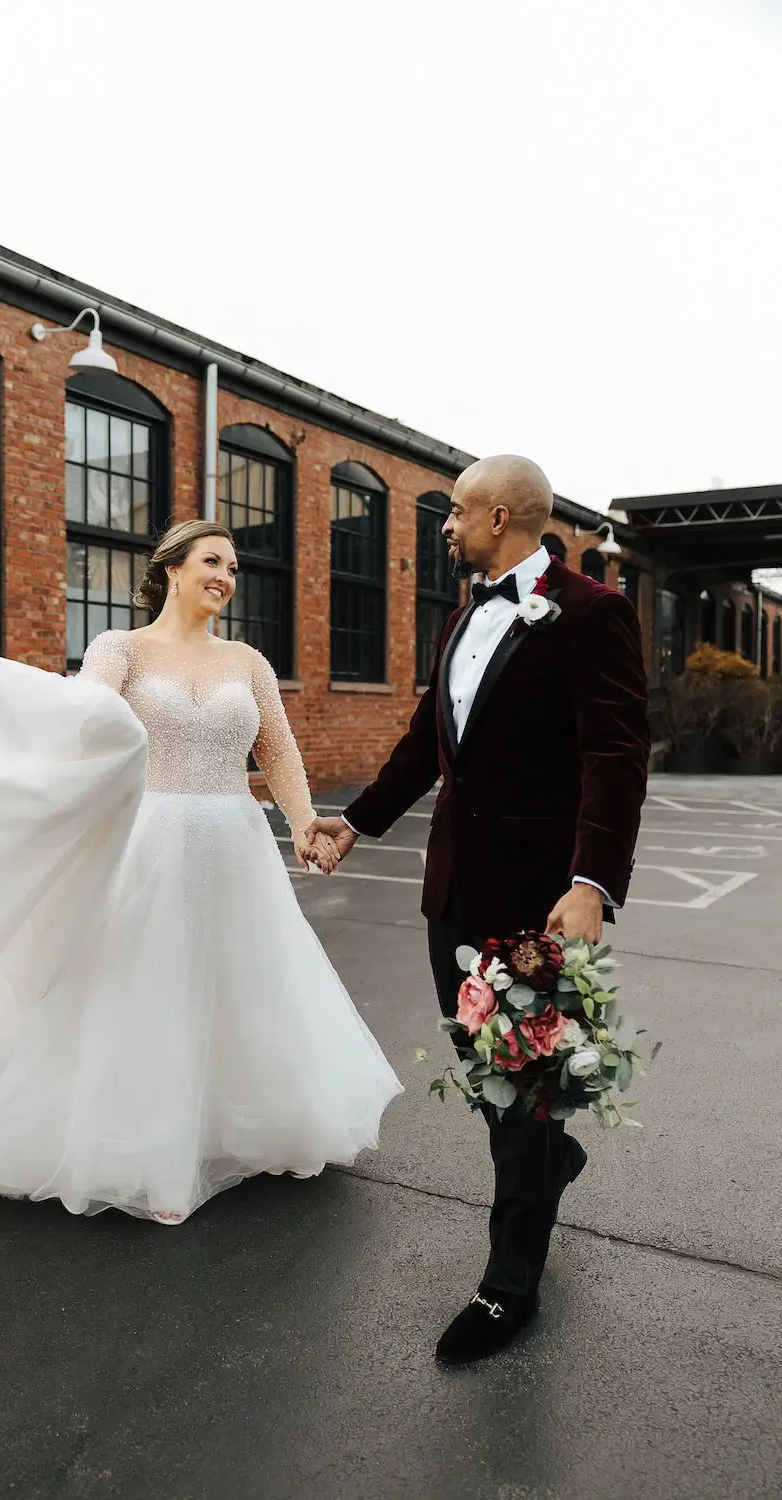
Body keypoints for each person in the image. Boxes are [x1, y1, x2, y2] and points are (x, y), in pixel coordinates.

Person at [0, 519, 402, 1226]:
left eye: (234, 567)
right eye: (213, 561)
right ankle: (143, 1146)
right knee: (138, 987)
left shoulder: (248, 662)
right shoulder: (122, 650)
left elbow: (279, 752)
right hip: (146, 843)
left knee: (242, 983)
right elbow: (80, 722)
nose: (226, 577)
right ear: (171, 570)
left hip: (233, 844)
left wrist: (304, 826)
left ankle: (238, 1126)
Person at [308, 456, 650, 1362]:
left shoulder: (590, 614)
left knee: (529, 1088)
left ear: (499, 515)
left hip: (541, 907)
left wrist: (590, 884)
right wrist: (358, 823)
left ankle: (508, 1292)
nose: (446, 526)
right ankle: (549, 1167)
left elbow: (617, 757)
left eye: (456, 512)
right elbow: (430, 738)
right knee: (483, 1068)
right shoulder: (465, 613)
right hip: (452, 894)